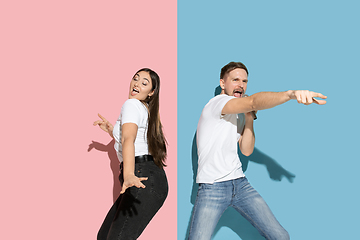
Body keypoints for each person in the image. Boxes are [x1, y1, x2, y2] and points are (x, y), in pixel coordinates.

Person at [188, 62, 327, 240]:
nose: (241, 85)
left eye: (244, 81)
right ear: (222, 83)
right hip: (213, 187)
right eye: (235, 80)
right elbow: (253, 100)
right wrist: (290, 95)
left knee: (281, 236)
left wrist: (249, 117)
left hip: (240, 184)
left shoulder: (237, 113)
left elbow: (246, 150)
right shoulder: (217, 103)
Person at [94, 68, 168, 240]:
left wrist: (128, 174)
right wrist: (113, 131)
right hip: (150, 177)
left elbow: (129, 139)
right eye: (135, 79)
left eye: (144, 83)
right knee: (104, 236)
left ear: (151, 92)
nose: (136, 84)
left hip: (141, 177)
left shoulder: (131, 104)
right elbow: (136, 139)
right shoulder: (145, 109)